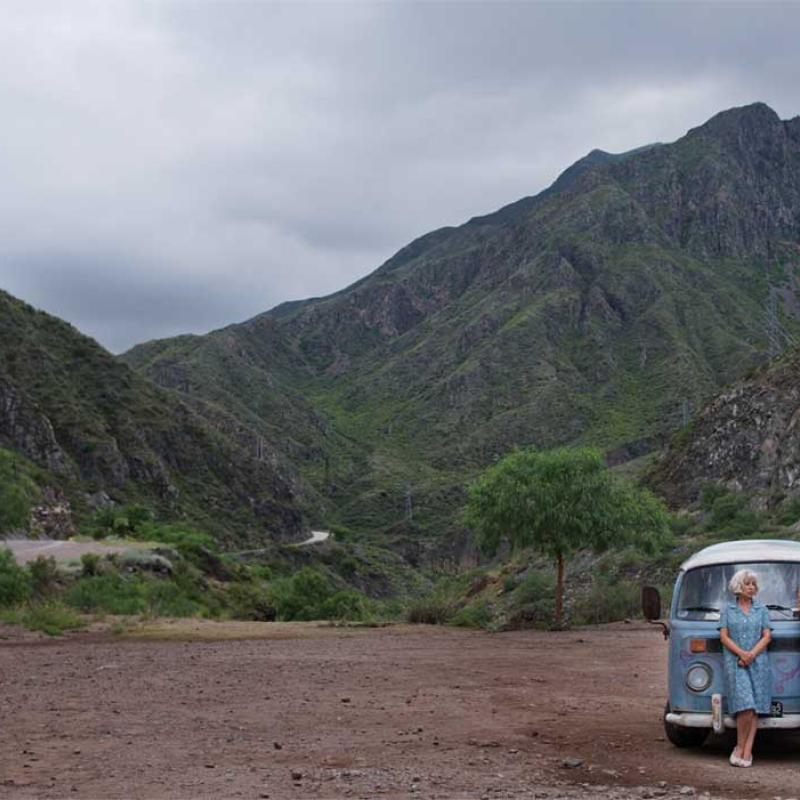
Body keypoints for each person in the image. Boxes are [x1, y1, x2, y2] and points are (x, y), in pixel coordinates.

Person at [718, 569, 772, 768]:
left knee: (755, 707)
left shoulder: (762, 609)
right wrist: (742, 654)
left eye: (753, 585)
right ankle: (739, 747)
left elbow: (767, 636)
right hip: (736, 662)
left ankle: (747, 751)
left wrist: (751, 655)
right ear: (739, 586)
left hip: (758, 662)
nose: (751, 588)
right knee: (746, 706)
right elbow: (724, 637)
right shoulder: (728, 610)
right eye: (748, 584)